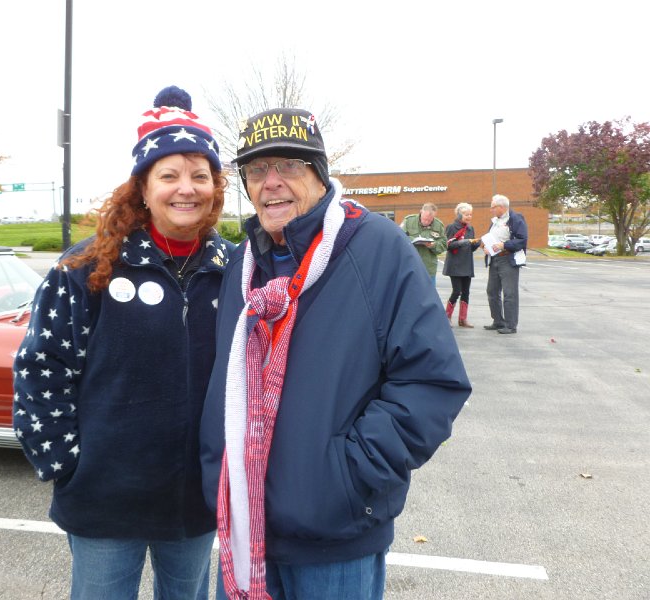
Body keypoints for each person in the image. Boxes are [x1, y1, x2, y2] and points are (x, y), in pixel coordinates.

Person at [199, 107, 472, 599]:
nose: (271, 183)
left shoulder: (377, 249)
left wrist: (349, 474)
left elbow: (432, 381)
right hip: (245, 523)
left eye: (289, 166)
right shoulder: (243, 264)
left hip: (337, 537)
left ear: (320, 175)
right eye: (257, 171)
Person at [12, 85, 233, 600]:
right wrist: (65, 463)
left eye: (200, 175)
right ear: (143, 187)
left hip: (194, 498)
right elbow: (41, 367)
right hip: (105, 497)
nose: (187, 188)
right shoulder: (86, 268)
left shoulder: (234, 269)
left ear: (215, 187)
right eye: (170, 175)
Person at [482, 194, 528, 334]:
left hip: (508, 259)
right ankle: (498, 321)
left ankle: (510, 325)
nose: (491, 210)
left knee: (509, 293)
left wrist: (504, 245)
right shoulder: (495, 221)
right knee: (492, 291)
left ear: (501, 207)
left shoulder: (515, 219)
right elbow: (492, 238)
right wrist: (485, 246)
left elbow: (522, 240)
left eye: (493, 207)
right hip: (494, 259)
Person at [443, 202, 481, 327]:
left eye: (470, 214)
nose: (469, 217)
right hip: (455, 265)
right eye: (466, 214)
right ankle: (446, 317)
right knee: (456, 291)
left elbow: (470, 248)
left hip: (467, 264)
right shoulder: (451, 227)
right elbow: (448, 245)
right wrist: (464, 242)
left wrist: (476, 244)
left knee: (466, 292)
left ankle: (462, 319)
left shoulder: (471, 228)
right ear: (459, 214)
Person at [400, 202, 447, 280]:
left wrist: (433, 245)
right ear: (421, 212)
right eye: (425, 219)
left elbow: (444, 244)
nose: (426, 222)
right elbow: (400, 238)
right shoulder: (408, 221)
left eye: (430, 220)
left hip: (428, 268)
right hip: (410, 266)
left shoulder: (438, 225)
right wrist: (413, 240)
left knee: (429, 292)